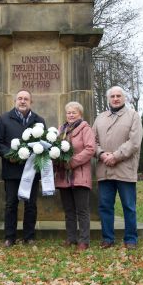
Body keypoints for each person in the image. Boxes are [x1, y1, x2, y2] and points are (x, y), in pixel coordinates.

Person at [92, 86, 143, 249]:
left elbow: (134, 142)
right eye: (112, 96)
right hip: (104, 170)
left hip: (124, 169)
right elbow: (93, 141)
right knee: (105, 206)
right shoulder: (100, 118)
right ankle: (108, 238)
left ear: (124, 98)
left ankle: (130, 239)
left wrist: (116, 156)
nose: (115, 98)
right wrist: (101, 154)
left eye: (118, 96)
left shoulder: (133, 116)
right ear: (108, 99)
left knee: (129, 206)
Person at [0, 89, 45, 247]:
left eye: (26, 99)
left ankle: (29, 237)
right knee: (11, 204)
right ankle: (10, 237)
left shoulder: (39, 121)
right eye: (20, 98)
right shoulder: (4, 119)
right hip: (11, 169)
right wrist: (9, 155)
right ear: (15, 101)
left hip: (32, 170)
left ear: (31, 102)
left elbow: (45, 144)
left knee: (31, 205)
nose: (22, 101)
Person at [54, 102, 95, 251]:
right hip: (64, 176)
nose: (71, 115)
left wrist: (72, 162)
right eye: (68, 112)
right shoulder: (61, 130)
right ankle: (71, 238)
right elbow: (55, 149)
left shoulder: (85, 128)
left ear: (80, 114)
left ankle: (84, 240)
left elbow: (90, 149)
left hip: (80, 175)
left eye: (74, 112)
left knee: (82, 210)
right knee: (69, 210)